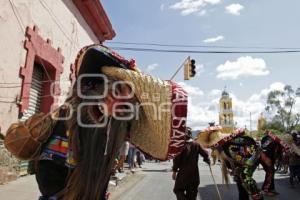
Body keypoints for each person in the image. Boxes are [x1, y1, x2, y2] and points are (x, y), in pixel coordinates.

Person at [172, 127, 210, 200]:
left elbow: (176, 160)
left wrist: (174, 171)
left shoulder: (180, 145)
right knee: (192, 195)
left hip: (183, 173)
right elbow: (205, 154)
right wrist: (207, 160)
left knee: (178, 190)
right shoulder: (196, 144)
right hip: (194, 174)